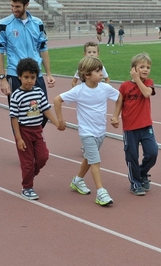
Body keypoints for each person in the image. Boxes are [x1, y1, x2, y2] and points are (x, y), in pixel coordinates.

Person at [54, 57, 122, 206]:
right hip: (87, 132)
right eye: (97, 71)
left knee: (89, 158)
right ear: (87, 75)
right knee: (95, 161)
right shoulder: (78, 91)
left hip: (100, 132)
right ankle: (101, 192)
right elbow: (57, 100)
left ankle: (77, 180)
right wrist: (60, 120)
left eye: (101, 70)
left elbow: (119, 97)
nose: (101, 73)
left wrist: (116, 115)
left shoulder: (105, 88)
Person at [0, 0, 55, 128]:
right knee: (19, 115)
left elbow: (43, 48)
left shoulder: (38, 24)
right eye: (12, 6)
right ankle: (23, 144)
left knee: (42, 112)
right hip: (15, 75)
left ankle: (34, 138)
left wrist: (48, 73)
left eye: (17, 7)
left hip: (35, 75)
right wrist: (2, 79)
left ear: (26, 5)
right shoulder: (3, 25)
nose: (14, 9)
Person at [10, 58, 62, 200]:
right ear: (19, 76)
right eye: (26, 77)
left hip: (37, 130)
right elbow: (14, 117)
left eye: (32, 77)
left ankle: (32, 173)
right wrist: (18, 137)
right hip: (24, 131)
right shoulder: (16, 95)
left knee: (43, 156)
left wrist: (57, 123)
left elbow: (46, 109)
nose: (29, 81)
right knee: (27, 162)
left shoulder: (39, 92)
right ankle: (27, 187)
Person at [111, 53, 158, 196]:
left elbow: (146, 94)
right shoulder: (125, 86)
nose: (145, 70)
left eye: (148, 67)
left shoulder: (148, 82)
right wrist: (115, 116)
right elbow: (120, 101)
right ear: (133, 69)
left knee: (152, 152)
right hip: (130, 129)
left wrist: (138, 79)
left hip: (146, 127)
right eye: (142, 67)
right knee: (132, 156)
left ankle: (142, 173)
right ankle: (135, 183)